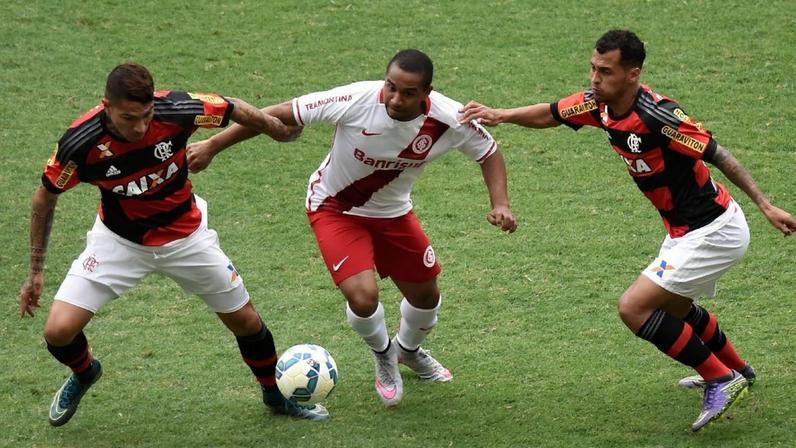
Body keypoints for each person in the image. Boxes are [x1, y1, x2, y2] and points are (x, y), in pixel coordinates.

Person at [459, 30, 796, 432]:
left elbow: (718, 154)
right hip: (685, 230)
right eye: (592, 68)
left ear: (632, 74)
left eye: (605, 71)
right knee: (673, 307)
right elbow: (551, 113)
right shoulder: (598, 105)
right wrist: (500, 114)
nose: (595, 78)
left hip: (713, 230)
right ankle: (739, 368)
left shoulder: (658, 116)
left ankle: (721, 379)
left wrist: (765, 204)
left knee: (634, 308)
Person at [187, 49, 518, 407]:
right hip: (334, 207)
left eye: (408, 93)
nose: (395, 98)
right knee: (363, 297)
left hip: (393, 212)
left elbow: (489, 152)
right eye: (391, 86)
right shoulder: (356, 99)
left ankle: (407, 350)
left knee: (426, 297)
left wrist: (500, 203)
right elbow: (279, 113)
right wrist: (214, 144)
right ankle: (384, 356)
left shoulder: (449, 119)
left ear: (427, 92)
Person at [19, 62, 328, 426]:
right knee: (58, 332)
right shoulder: (81, 144)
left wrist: (275, 129)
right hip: (119, 242)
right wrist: (36, 271)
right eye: (128, 117)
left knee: (246, 321)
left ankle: (276, 396)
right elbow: (45, 198)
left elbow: (232, 106)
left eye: (146, 115)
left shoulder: (177, 110)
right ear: (106, 105)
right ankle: (86, 372)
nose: (139, 127)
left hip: (186, 236)